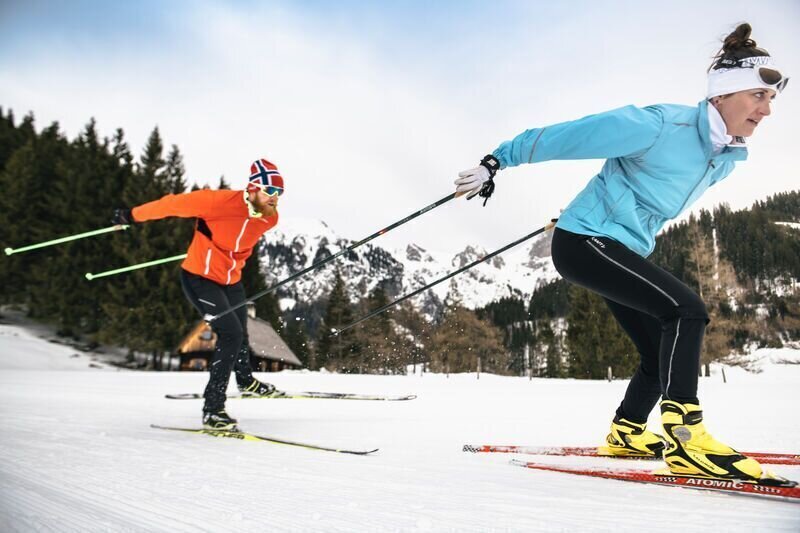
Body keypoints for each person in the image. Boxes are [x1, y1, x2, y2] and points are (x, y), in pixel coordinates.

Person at [454, 23, 789, 482]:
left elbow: (633, 190)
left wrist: (591, 208)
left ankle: (627, 432)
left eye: (771, 99)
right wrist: (496, 161)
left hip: (616, 245)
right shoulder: (659, 125)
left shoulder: (722, 157)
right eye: (758, 96)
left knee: (657, 350)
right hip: (586, 242)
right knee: (686, 311)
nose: (766, 110)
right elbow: (572, 135)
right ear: (723, 94)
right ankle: (687, 439)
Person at [112, 158, 285, 430]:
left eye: (279, 192)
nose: (275, 198)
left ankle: (246, 382)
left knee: (241, 331)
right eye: (269, 191)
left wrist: (222, 251)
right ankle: (213, 409)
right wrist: (130, 215)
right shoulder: (215, 202)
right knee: (230, 334)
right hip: (200, 279)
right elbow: (170, 205)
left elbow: (239, 241)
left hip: (231, 281)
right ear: (252, 189)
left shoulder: (269, 219)